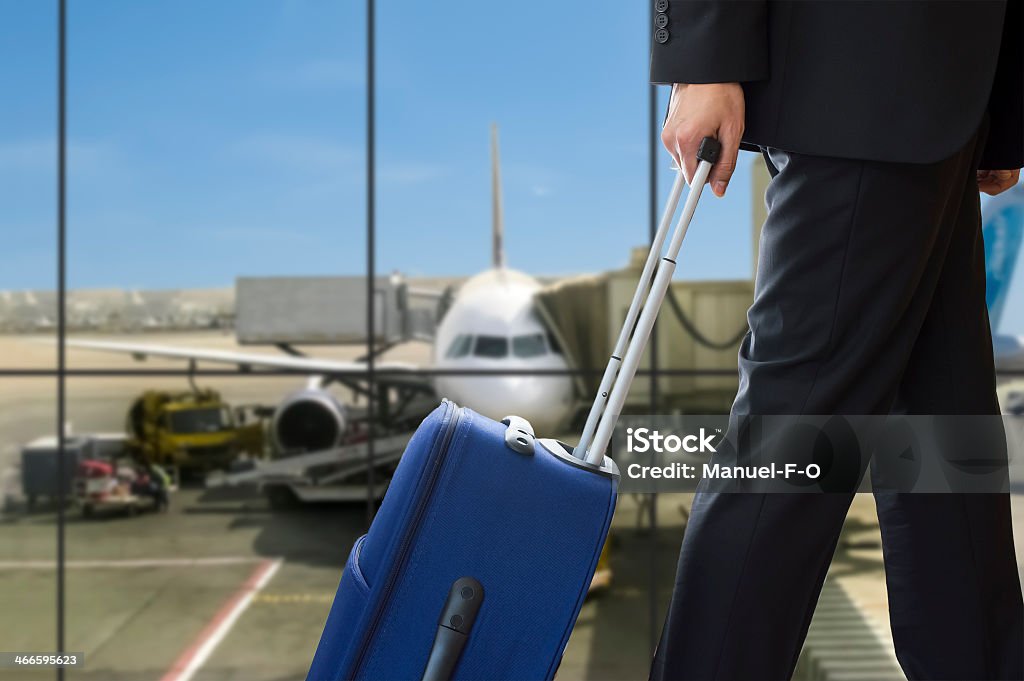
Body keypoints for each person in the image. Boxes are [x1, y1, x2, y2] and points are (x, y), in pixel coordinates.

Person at [649, 1, 1024, 679]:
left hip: (948, 92)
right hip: (859, 77)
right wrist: (705, 60)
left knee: (945, 444)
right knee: (793, 439)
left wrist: (1003, 112)